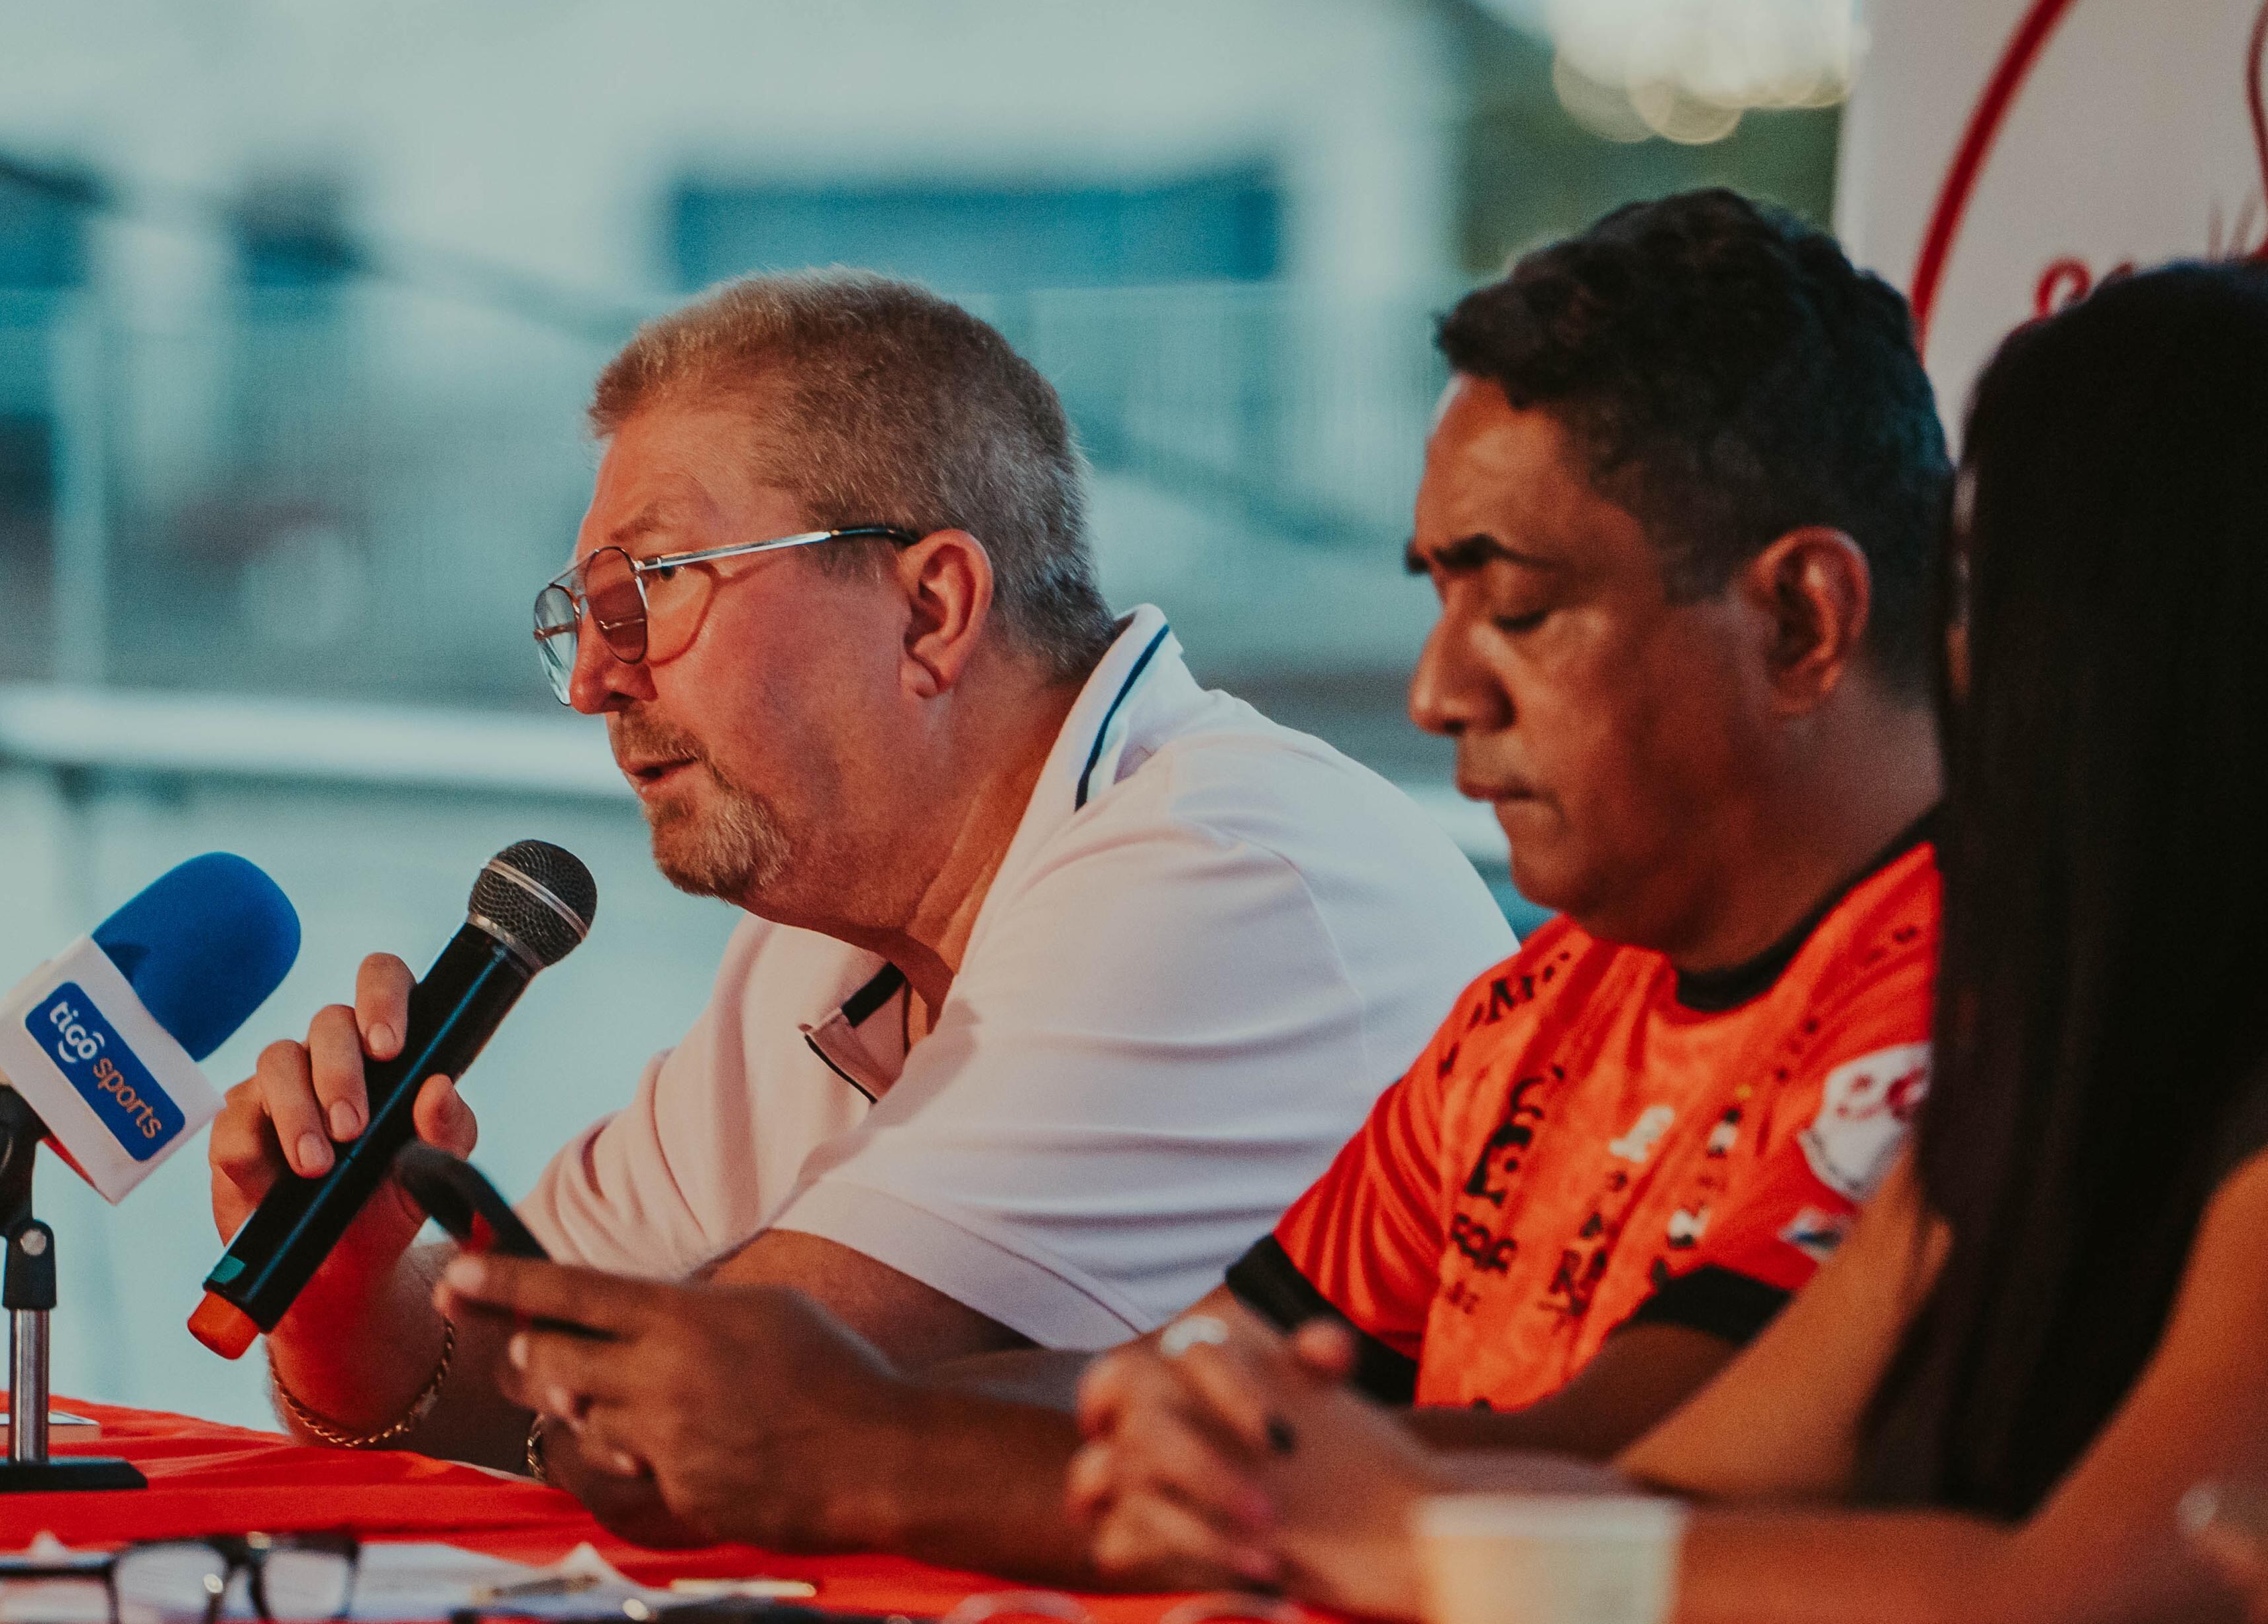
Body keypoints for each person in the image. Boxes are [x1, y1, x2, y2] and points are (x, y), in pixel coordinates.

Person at [444, 189, 1953, 1573]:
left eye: (1524, 608)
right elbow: (1217, 1382)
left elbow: (1624, 1479)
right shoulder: (1544, 1009)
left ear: (1807, 620)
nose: (1435, 692)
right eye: (1436, 599)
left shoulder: (1974, 997)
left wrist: (868, 1440)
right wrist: (820, 1405)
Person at [207, 270, 1513, 1523]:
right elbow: (525, 1385)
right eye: (585, 619)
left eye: (648, 593)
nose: (596, 683)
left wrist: (523, 1371)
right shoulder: (827, 927)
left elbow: (683, 1426)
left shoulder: (1213, 874)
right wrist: (346, 1295)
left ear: (930, 608)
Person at [1070, 260, 2268, 1623]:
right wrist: (1277, 1493)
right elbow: (1680, 1487)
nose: (1951, 664)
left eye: (1993, 593)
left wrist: (1419, 1535)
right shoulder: (2046, 1062)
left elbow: (2093, 1595)